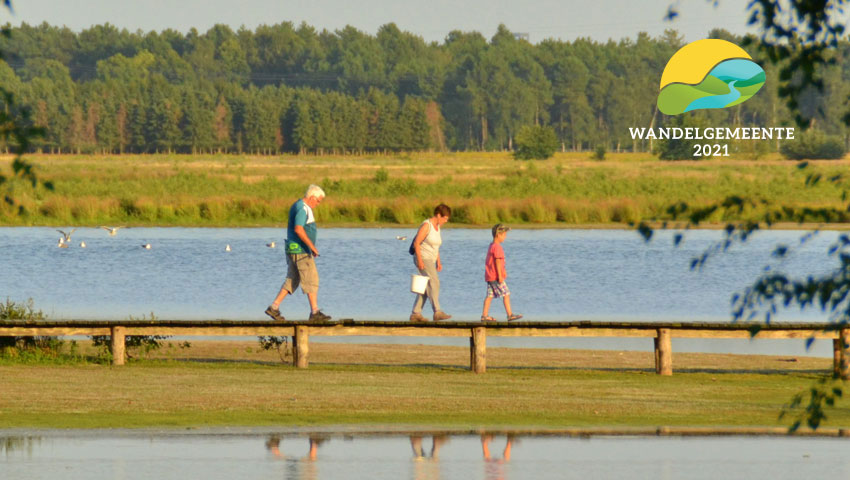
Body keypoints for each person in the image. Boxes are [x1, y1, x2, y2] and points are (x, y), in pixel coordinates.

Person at [265, 184, 331, 322]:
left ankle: (274, 307)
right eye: (318, 201)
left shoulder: (298, 205)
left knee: (292, 279)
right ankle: (315, 312)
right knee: (312, 279)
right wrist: (311, 246)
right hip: (300, 250)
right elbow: (298, 229)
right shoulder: (302, 208)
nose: (318, 204)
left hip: (293, 248)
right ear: (312, 197)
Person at [410, 204, 452, 322]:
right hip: (423, 257)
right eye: (445, 218)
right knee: (434, 282)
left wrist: (438, 261)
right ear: (438, 215)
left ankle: (415, 313)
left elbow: (435, 245)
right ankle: (437, 311)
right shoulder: (426, 225)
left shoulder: (437, 227)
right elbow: (416, 243)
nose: (445, 221)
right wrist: (420, 260)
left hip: (431, 259)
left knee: (425, 286)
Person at [481, 224, 522, 322]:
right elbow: (497, 262)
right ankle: (510, 315)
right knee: (506, 294)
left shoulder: (491, 246)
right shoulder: (497, 247)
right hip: (495, 277)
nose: (505, 237)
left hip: (490, 276)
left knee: (489, 296)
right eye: (504, 234)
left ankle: (484, 315)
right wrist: (500, 275)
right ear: (498, 235)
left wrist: (504, 271)